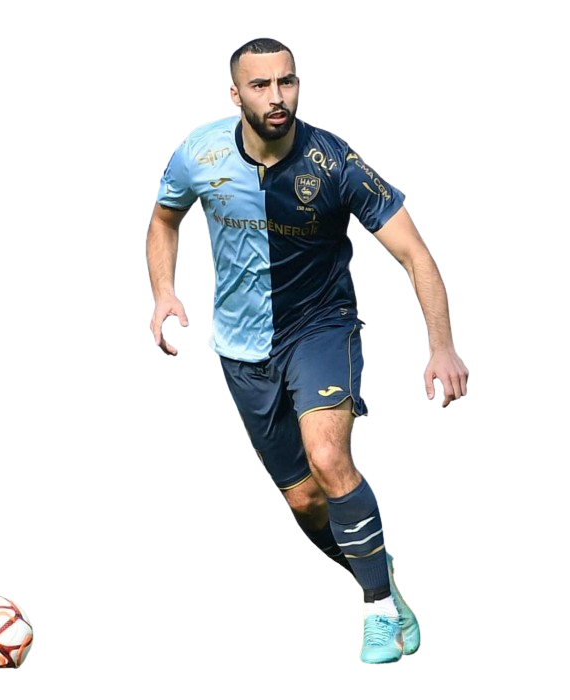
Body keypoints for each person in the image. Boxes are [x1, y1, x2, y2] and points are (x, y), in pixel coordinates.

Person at [146, 37, 469, 664]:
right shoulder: (199, 152)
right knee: (304, 501)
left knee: (327, 456)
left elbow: (414, 252)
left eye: (287, 82)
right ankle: (377, 570)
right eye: (261, 85)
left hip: (320, 328)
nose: (277, 98)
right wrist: (163, 293)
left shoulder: (335, 163)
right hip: (239, 347)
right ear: (235, 94)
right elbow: (164, 219)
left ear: (299, 84)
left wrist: (442, 345)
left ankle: (379, 610)